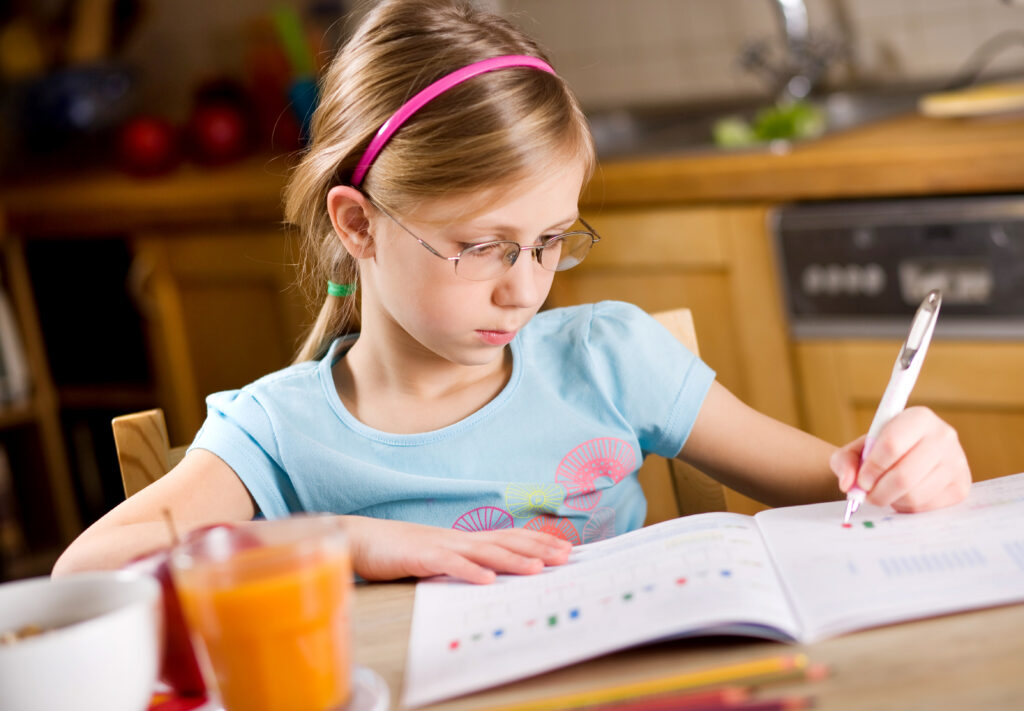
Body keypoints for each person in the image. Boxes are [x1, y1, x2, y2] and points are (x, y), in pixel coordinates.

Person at [53, 0, 971, 583]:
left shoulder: (611, 360)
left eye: (549, 244)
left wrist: (902, 464)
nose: (523, 288)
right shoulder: (278, 434)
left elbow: (835, 485)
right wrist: (346, 543)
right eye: (483, 247)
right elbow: (84, 571)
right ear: (359, 224)